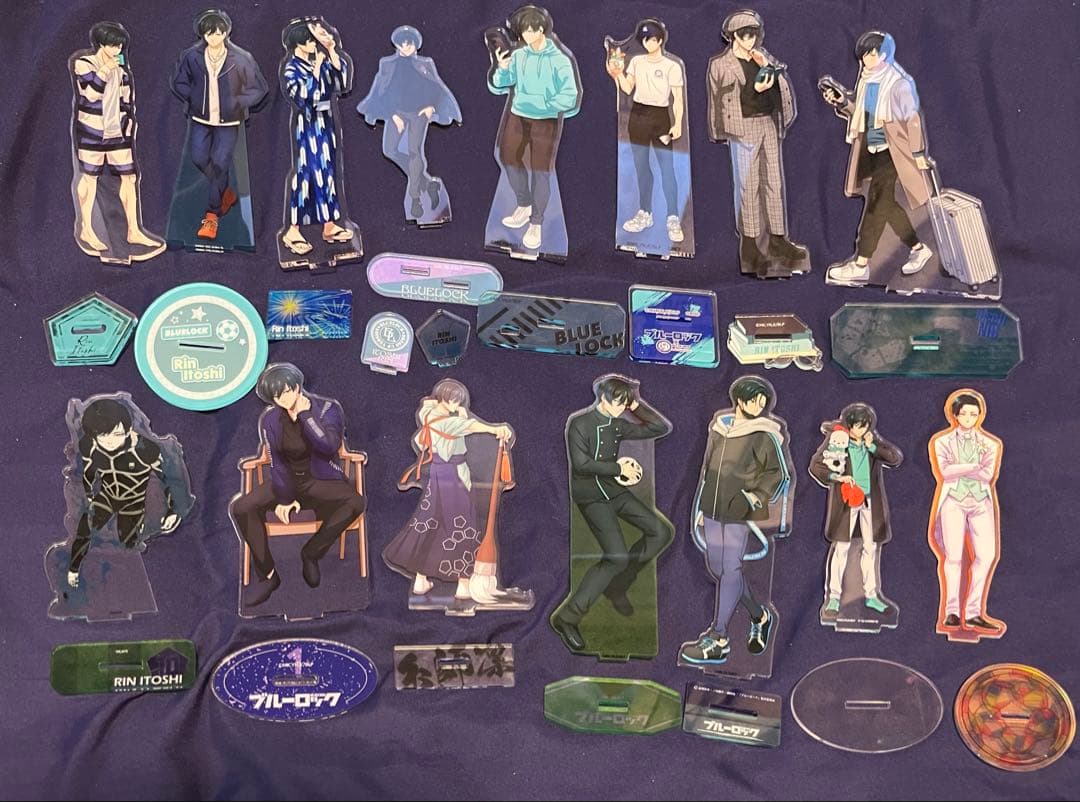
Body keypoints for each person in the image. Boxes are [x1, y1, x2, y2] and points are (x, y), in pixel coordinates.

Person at [550, 376, 674, 652]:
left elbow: (660, 427)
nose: (621, 409)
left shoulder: (618, 423)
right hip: (590, 494)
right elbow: (581, 465)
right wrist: (619, 469)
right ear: (603, 398)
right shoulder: (580, 423)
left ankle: (618, 583)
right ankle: (567, 618)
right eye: (617, 402)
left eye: (624, 404)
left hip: (613, 490)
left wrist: (635, 405)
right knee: (616, 556)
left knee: (661, 532)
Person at [229, 364, 366, 607]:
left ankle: (311, 553)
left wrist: (305, 416)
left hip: (320, 479)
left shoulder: (327, 409)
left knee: (356, 502)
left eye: (285, 392)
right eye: (276, 397)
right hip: (286, 482)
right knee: (241, 507)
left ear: (296, 386)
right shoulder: (270, 419)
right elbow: (277, 462)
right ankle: (268, 575)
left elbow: (329, 446)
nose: (282, 400)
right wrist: (284, 498)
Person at [679, 377, 791, 666]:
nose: (760, 405)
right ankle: (759, 615)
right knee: (718, 568)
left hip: (739, 510)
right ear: (740, 400)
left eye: (763, 401)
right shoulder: (720, 429)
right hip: (712, 508)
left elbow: (777, 473)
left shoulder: (764, 434)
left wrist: (757, 496)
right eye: (755, 400)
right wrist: (701, 505)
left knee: (730, 569)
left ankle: (718, 638)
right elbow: (708, 469)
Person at [382, 379, 517, 611]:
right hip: (453, 476)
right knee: (463, 526)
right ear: (443, 398)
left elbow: (437, 434)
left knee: (431, 525)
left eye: (458, 400)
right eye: (453, 400)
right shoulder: (445, 421)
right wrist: (495, 429)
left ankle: (421, 580)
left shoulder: (429, 414)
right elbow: (469, 427)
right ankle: (463, 585)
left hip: (439, 474)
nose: (457, 404)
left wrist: (460, 416)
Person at [821, 31, 934, 285]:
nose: (866, 60)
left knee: (875, 206)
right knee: (887, 205)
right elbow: (861, 115)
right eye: (864, 55)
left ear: (883, 55)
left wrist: (918, 154)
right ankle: (918, 248)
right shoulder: (867, 81)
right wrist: (842, 101)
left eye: (871, 54)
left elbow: (912, 120)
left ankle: (861, 264)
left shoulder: (898, 83)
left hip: (893, 153)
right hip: (870, 151)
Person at [707, 9, 806, 277]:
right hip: (743, 127)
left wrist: (769, 70)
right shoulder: (721, 64)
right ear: (734, 37)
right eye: (745, 35)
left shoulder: (762, 57)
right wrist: (719, 131)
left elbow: (780, 86)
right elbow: (719, 101)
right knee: (748, 186)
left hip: (768, 123)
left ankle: (778, 239)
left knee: (774, 182)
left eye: (753, 34)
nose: (750, 40)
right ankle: (750, 246)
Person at [488, 5, 581, 252]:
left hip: (545, 120)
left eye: (531, 30)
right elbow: (502, 83)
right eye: (523, 32)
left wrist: (546, 105)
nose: (527, 36)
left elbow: (570, 95)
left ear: (541, 29)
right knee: (506, 157)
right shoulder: (519, 55)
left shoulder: (559, 60)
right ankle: (524, 203)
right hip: (517, 114)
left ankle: (536, 223)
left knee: (541, 171)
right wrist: (502, 69)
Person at [171, 9, 269, 240]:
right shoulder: (191, 57)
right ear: (203, 35)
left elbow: (259, 89)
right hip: (201, 119)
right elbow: (179, 82)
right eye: (209, 33)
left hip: (229, 121)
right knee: (199, 158)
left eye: (218, 33)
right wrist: (194, 97)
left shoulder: (241, 58)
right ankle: (225, 192)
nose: (213, 38)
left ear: (225, 33)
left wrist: (238, 102)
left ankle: (212, 215)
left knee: (220, 162)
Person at [66, 398, 184, 589]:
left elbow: (169, 478)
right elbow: (89, 471)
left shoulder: (145, 449)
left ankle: (127, 582)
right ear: (94, 436)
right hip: (107, 495)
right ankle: (73, 571)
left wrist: (173, 510)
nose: (110, 442)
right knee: (84, 528)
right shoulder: (90, 445)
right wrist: (88, 493)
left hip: (133, 500)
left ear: (129, 430)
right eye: (103, 436)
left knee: (128, 544)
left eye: (117, 434)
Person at [70, 22, 164, 260]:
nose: (117, 49)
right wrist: (105, 71)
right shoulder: (84, 63)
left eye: (120, 46)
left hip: (118, 133)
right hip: (91, 131)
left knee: (129, 177)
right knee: (89, 177)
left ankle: (133, 230)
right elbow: (90, 94)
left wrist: (129, 125)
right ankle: (86, 228)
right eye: (113, 45)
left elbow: (126, 101)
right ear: (101, 44)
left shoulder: (122, 71)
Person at [356, 25, 461, 221]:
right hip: (397, 112)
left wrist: (431, 107)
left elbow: (437, 88)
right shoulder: (387, 64)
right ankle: (427, 183)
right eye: (402, 44)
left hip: (419, 113)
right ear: (396, 45)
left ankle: (415, 198)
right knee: (389, 150)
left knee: (414, 151)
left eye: (409, 44)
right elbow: (382, 91)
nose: (406, 48)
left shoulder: (425, 63)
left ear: (415, 45)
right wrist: (392, 115)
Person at [808, 403, 903, 620]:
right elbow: (816, 466)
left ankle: (872, 595)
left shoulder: (871, 442)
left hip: (870, 502)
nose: (861, 430)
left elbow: (894, 458)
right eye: (858, 426)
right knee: (841, 547)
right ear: (849, 425)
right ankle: (834, 597)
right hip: (846, 501)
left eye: (865, 426)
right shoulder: (837, 442)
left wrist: (872, 446)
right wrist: (837, 477)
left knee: (871, 547)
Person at [928, 390, 1004, 635]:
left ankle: (973, 613)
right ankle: (951, 611)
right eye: (964, 414)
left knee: (987, 555)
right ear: (955, 415)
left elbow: (987, 475)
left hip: (981, 501)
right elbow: (945, 471)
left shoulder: (990, 444)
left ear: (980, 415)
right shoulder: (942, 441)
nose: (969, 418)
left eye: (974, 414)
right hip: (953, 500)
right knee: (952, 557)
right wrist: (973, 466)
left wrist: (960, 468)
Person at [279, 17, 354, 256]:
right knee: (305, 174)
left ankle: (329, 224)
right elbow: (304, 97)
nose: (314, 44)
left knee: (327, 171)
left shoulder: (318, 59)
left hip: (326, 122)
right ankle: (293, 229)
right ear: (298, 44)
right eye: (310, 41)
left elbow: (341, 83)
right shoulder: (292, 68)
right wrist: (317, 69)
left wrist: (331, 51)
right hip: (308, 124)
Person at [606, 18, 685, 243]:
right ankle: (645, 212)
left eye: (651, 39)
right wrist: (617, 74)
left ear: (660, 40)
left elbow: (678, 99)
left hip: (661, 117)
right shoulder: (637, 62)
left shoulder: (672, 66)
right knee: (641, 167)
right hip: (638, 115)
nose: (648, 43)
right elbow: (627, 88)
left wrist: (678, 123)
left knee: (667, 168)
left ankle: (672, 217)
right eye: (644, 40)